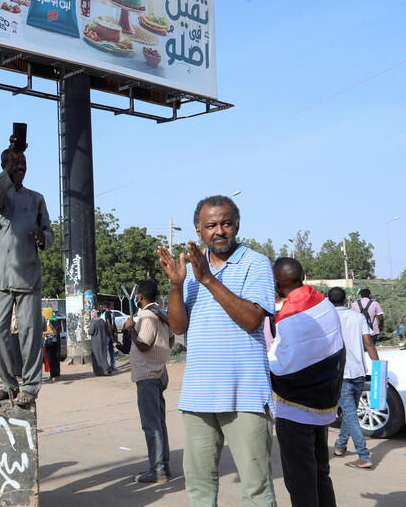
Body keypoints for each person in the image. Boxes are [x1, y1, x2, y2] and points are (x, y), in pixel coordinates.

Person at [157, 194, 277, 506]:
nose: (219, 231)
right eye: (211, 225)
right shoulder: (192, 270)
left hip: (245, 395)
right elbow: (179, 327)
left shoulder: (256, 263)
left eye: (226, 223)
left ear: (237, 226)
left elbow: (252, 319)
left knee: (256, 489)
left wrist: (207, 279)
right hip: (198, 395)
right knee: (199, 488)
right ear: (199, 231)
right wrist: (176, 285)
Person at [0, 142, 53, 407]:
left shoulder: (36, 198)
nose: (21, 169)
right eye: (15, 165)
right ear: (5, 166)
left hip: (28, 275)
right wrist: (9, 167)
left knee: (30, 331)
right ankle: (7, 384)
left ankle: (31, 386)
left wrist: (42, 236)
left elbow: (50, 232)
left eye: (23, 165)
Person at [269, 258, 343, 507]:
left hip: (295, 412)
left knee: (300, 480)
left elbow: (282, 364)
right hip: (323, 405)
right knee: (321, 473)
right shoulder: (324, 304)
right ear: (303, 275)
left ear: (277, 284)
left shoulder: (289, 317)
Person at [123, 279, 173, 484]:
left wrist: (130, 329)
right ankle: (163, 466)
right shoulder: (162, 314)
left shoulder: (146, 316)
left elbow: (143, 345)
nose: (135, 298)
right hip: (159, 372)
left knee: (151, 425)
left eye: (136, 295)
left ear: (140, 296)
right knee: (159, 423)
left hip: (148, 376)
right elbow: (170, 339)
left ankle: (158, 470)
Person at [328, 286, 379, 469]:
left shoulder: (327, 318)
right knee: (350, 414)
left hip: (340, 374)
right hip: (358, 372)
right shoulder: (358, 317)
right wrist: (378, 368)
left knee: (350, 415)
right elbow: (368, 342)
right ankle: (341, 446)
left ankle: (363, 455)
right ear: (346, 301)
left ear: (329, 301)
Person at [88, 310, 112, 376]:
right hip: (103, 340)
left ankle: (100, 371)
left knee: (96, 356)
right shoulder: (102, 321)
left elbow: (90, 332)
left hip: (95, 342)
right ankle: (106, 369)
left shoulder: (93, 322)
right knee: (103, 355)